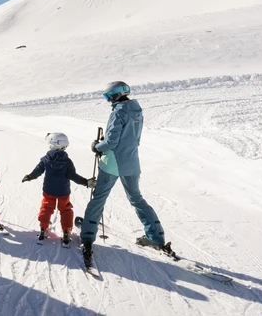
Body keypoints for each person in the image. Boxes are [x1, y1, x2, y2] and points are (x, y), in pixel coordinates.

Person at [78, 81, 167, 267]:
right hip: (132, 163)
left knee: (99, 198)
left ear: (115, 95)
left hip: (112, 163)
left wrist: (96, 147)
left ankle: (87, 237)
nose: (108, 100)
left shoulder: (118, 112)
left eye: (107, 96)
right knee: (136, 198)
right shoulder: (136, 109)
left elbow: (110, 142)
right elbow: (137, 138)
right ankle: (156, 236)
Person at [22, 132, 94, 245]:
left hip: (49, 190)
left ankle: (43, 229)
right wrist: (86, 182)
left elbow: (38, 170)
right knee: (65, 210)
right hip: (63, 192)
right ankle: (66, 231)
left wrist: (30, 176)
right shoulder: (67, 162)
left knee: (46, 207)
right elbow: (73, 176)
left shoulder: (46, 159)